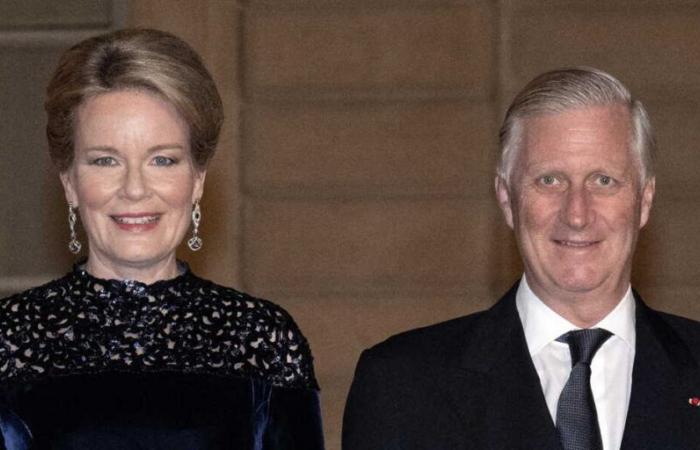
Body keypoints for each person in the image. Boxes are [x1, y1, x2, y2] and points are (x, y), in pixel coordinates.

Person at [342, 67, 700, 450]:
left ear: (644, 201)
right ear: (507, 200)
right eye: (549, 180)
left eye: (603, 181)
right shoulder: (401, 385)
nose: (577, 214)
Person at [0, 28, 324, 450]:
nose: (135, 188)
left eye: (162, 160)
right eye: (105, 160)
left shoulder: (263, 339)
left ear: (197, 180)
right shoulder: (10, 338)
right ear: (69, 181)